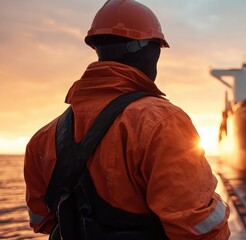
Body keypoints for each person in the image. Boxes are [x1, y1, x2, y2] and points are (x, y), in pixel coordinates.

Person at [23, 0, 230, 239]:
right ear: (149, 50)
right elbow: (200, 230)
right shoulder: (163, 123)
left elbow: (41, 220)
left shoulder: (42, 138)